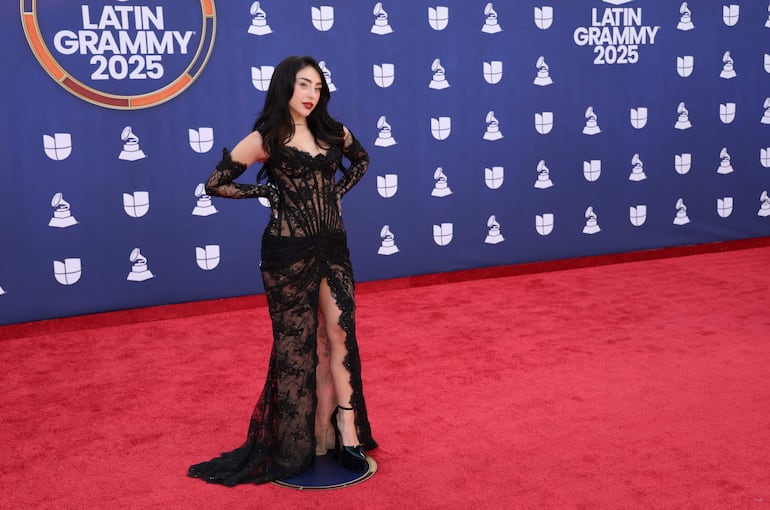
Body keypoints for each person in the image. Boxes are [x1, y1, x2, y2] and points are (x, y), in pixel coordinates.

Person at [188, 55, 377, 486]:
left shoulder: (333, 132)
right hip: (286, 254)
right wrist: (267, 192)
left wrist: (335, 194)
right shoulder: (267, 137)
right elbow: (216, 182)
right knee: (297, 345)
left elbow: (362, 161)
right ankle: (297, 442)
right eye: (303, 85)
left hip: (332, 245)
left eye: (317, 87)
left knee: (340, 333)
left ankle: (346, 431)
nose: (311, 94)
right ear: (285, 88)